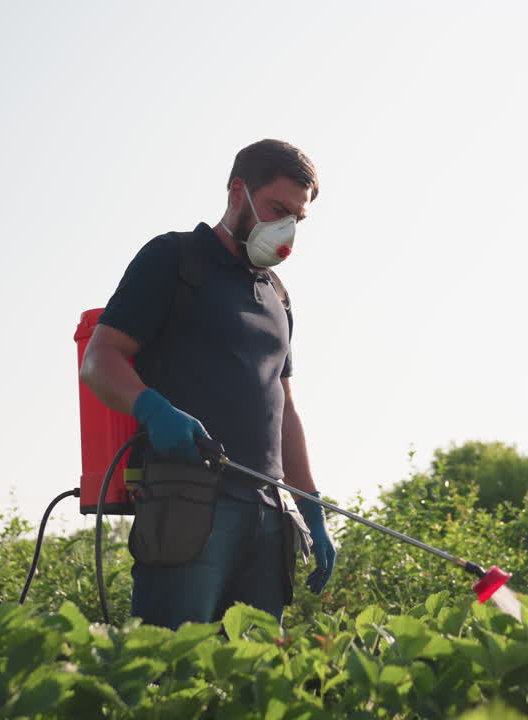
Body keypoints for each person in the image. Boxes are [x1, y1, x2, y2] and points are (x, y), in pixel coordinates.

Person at [80, 139, 336, 629]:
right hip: (187, 503)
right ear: (238, 191)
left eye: (296, 220)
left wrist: (311, 505)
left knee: (254, 682)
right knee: (171, 671)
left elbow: (284, 406)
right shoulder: (175, 259)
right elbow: (100, 358)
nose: (286, 230)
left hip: (266, 514)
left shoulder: (277, 296)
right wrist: (153, 409)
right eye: (278, 210)